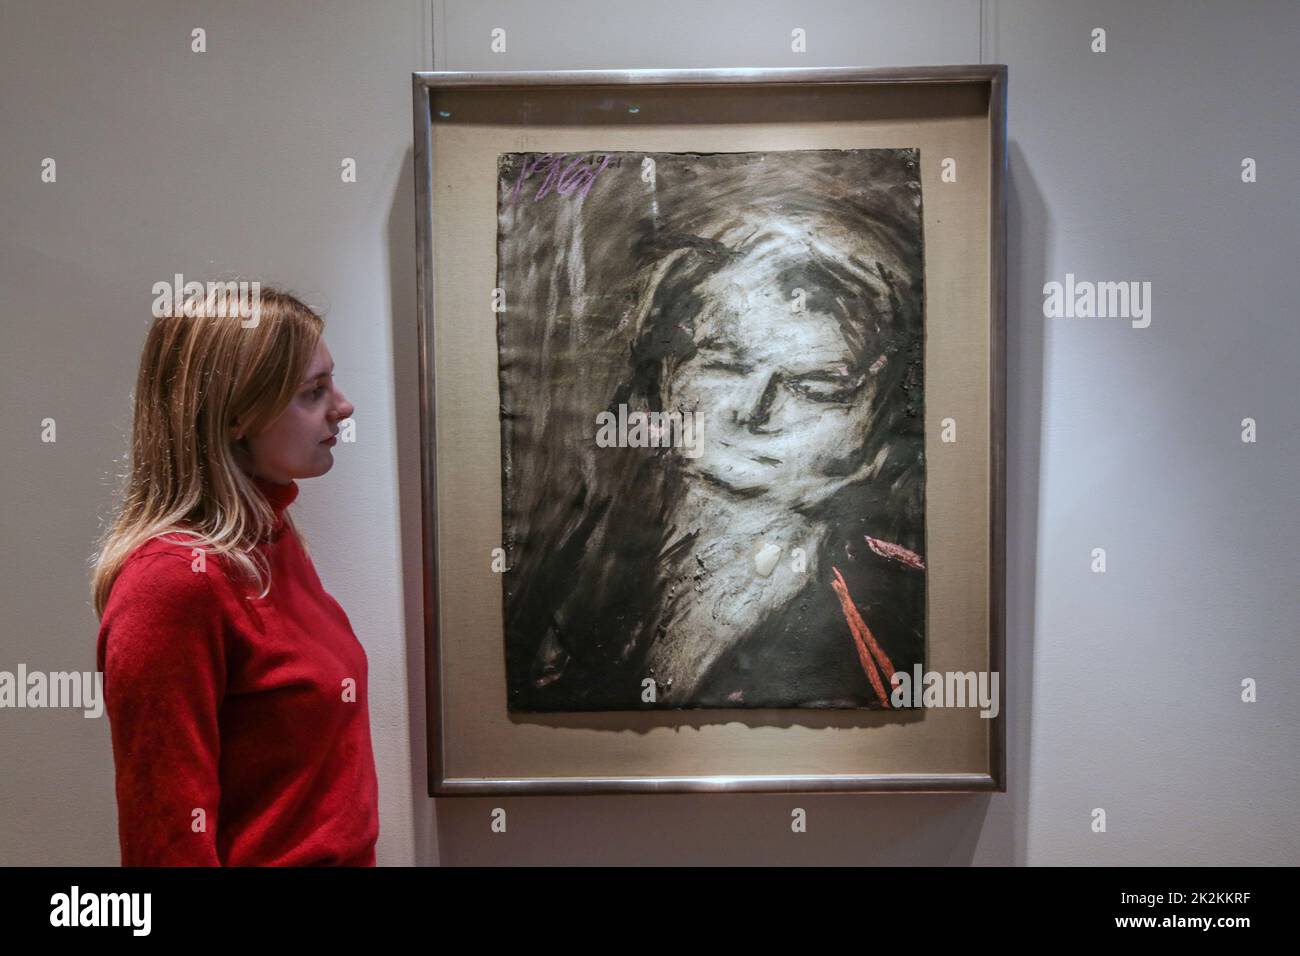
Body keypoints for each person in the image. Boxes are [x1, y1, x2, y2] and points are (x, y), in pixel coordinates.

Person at [502, 149, 927, 711]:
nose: (753, 410)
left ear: (879, 427)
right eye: (723, 362)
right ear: (669, 372)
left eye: (814, 386)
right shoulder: (573, 566)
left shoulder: (898, 614)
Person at [90, 284, 379, 865]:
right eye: (312, 392)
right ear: (235, 418)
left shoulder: (271, 539)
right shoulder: (173, 583)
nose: (342, 407)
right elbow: (165, 842)